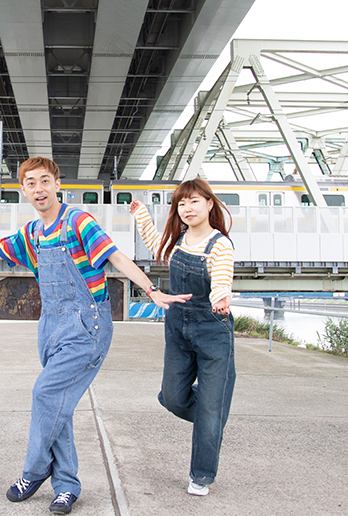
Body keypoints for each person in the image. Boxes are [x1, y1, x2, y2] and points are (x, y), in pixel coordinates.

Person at [0, 156, 190, 515]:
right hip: (50, 325)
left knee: (45, 393)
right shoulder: (32, 233)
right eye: (31, 183)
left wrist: (151, 289)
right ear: (24, 190)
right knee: (58, 405)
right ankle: (66, 487)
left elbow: (116, 257)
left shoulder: (78, 221)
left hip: (87, 325)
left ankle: (34, 472)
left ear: (57, 184)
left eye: (44, 181)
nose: (39, 189)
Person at [128, 177, 236, 497]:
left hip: (212, 328)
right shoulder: (177, 241)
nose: (187, 208)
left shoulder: (220, 245)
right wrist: (141, 214)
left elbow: (221, 276)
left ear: (209, 204)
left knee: (209, 410)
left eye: (194, 202)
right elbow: (153, 240)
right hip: (178, 327)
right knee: (172, 398)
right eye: (181, 203)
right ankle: (211, 417)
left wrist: (221, 295)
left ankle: (201, 475)